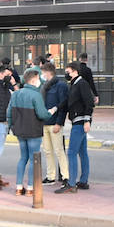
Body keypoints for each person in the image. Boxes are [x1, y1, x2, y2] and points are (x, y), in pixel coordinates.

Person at [5, 67, 54, 196]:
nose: (40, 81)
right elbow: (42, 114)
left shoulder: (16, 94)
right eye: (38, 78)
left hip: (20, 131)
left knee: (23, 158)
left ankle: (19, 187)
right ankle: (31, 187)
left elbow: (9, 113)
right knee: (34, 159)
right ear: (33, 80)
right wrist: (51, 112)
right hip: (34, 131)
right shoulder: (36, 95)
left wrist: (12, 127)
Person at [63, 62, 94, 192]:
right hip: (78, 120)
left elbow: (89, 102)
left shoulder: (81, 84)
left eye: (68, 71)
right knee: (82, 152)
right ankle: (83, 181)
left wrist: (87, 120)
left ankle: (71, 183)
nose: (66, 74)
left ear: (75, 71)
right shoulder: (74, 84)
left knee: (71, 153)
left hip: (80, 121)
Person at [38, 64, 69, 189]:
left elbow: (63, 105)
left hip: (55, 123)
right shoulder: (44, 87)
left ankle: (65, 176)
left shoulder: (60, 85)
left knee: (59, 151)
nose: (42, 75)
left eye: (43, 72)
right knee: (47, 151)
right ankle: (50, 176)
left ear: (48, 72)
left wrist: (59, 122)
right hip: (45, 122)